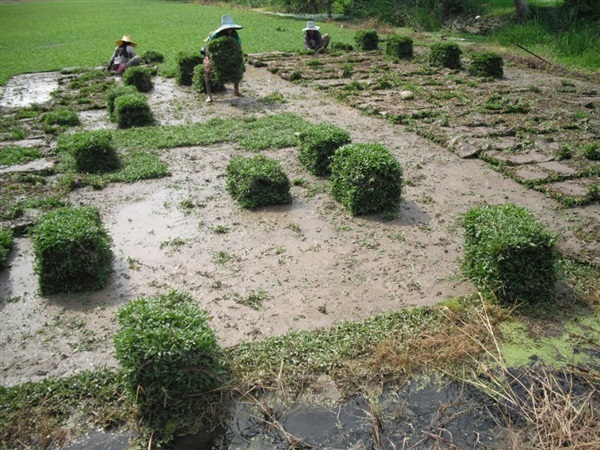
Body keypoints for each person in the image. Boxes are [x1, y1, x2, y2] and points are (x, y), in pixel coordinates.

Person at [203, 15, 244, 103]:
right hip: (215, 55)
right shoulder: (216, 35)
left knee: (239, 69)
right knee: (208, 72)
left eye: (231, 28)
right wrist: (212, 59)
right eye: (228, 28)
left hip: (230, 55)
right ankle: (209, 96)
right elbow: (210, 49)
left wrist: (239, 55)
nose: (230, 30)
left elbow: (239, 45)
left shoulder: (234, 33)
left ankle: (236, 91)